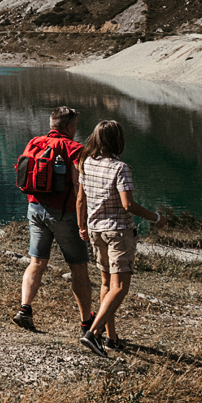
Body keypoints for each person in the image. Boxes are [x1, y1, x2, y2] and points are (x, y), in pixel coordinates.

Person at [75, 119, 166, 357]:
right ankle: (93, 334)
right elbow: (128, 205)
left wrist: (81, 226)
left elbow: (80, 199)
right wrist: (156, 217)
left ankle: (111, 339)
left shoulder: (86, 163)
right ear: (118, 140)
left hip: (95, 230)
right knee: (121, 287)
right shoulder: (120, 168)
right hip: (117, 232)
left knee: (107, 285)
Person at [11, 106, 94, 333]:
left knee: (36, 262)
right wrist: (83, 220)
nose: (76, 129)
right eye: (75, 125)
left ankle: (25, 309)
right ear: (68, 127)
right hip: (64, 215)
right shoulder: (75, 149)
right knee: (78, 268)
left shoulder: (34, 143)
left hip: (35, 208)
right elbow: (80, 188)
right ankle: (87, 322)